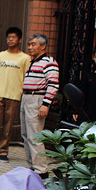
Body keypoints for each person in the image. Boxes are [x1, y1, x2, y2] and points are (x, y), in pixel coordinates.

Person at [0, 26, 30, 161]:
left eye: (14, 37)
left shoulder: (25, 58)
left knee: (8, 124)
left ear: (20, 40)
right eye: (9, 37)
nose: (11, 40)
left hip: (14, 95)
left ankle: (3, 151)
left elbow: (26, 76)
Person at [20, 33, 59, 178]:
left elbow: (53, 84)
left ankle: (41, 169)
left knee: (35, 135)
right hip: (26, 97)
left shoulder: (49, 62)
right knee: (26, 134)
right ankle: (32, 165)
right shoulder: (33, 62)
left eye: (33, 44)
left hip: (36, 98)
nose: (30, 47)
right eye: (29, 44)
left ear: (43, 46)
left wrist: (45, 104)